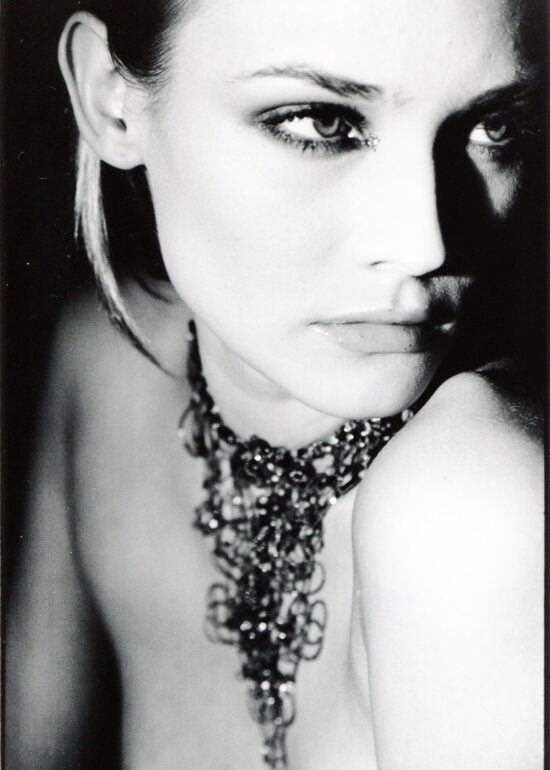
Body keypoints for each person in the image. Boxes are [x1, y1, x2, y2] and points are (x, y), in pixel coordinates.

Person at [6, 0, 545, 768]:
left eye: (496, 127)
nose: (424, 242)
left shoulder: (470, 503)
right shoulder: (107, 362)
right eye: (322, 123)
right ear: (109, 100)